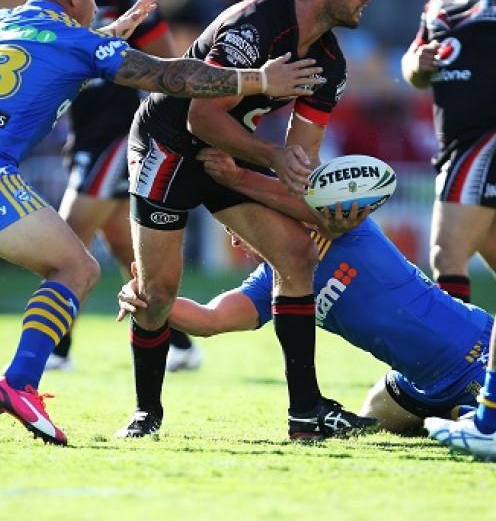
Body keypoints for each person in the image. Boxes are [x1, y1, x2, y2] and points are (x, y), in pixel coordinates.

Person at [0, 0, 320, 446]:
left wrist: (109, 34)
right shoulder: (80, 43)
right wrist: (259, 78)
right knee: (78, 268)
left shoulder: (8, 22)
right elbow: (171, 77)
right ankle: (19, 383)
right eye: (93, 0)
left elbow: (47, 53)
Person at [117, 0, 377, 441]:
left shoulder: (330, 62)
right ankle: (147, 411)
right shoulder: (254, 27)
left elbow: (300, 160)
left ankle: (305, 412)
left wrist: (309, 206)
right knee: (158, 295)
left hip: (228, 152)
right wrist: (270, 159)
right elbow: (200, 115)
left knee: (298, 254)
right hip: (167, 145)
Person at [118, 149, 492, 434]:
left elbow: (314, 191)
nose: (236, 242)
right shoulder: (276, 281)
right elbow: (210, 320)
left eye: (239, 228)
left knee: (472, 429)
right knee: (374, 422)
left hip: (477, 352)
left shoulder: (336, 223)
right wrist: (147, 296)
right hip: (418, 384)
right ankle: (454, 413)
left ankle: (465, 413)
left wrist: (236, 177)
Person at [48, 0, 201, 373]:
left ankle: (57, 350)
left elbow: (166, 65)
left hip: (118, 133)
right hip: (84, 132)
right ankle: (180, 342)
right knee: (122, 249)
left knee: (65, 238)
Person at [401, 0, 496, 304]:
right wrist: (416, 64)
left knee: (446, 252)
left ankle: (456, 362)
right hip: (454, 142)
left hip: (485, 139)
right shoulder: (437, 6)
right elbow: (411, 69)